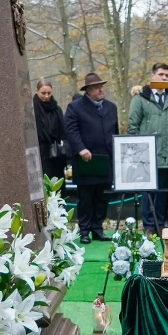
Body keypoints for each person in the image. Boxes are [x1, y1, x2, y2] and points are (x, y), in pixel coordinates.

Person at [64, 72, 117, 244]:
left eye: (102, 86)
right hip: (86, 160)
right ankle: (85, 230)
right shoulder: (75, 107)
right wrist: (80, 149)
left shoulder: (111, 107)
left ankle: (97, 229)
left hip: (106, 159)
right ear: (88, 90)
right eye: (96, 87)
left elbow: (115, 132)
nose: (101, 89)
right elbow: (71, 130)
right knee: (86, 198)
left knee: (102, 197)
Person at [127, 63, 168, 233]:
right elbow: (133, 126)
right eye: (161, 74)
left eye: (166, 75)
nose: (164, 78)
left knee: (163, 191)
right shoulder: (140, 98)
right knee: (148, 192)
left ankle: (160, 223)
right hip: (146, 155)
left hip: (167, 154)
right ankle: (149, 225)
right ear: (152, 76)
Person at [33, 78, 67, 179]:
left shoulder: (57, 109)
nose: (46, 96)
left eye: (49, 93)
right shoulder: (30, 109)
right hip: (38, 152)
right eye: (43, 93)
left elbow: (62, 131)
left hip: (55, 154)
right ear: (37, 91)